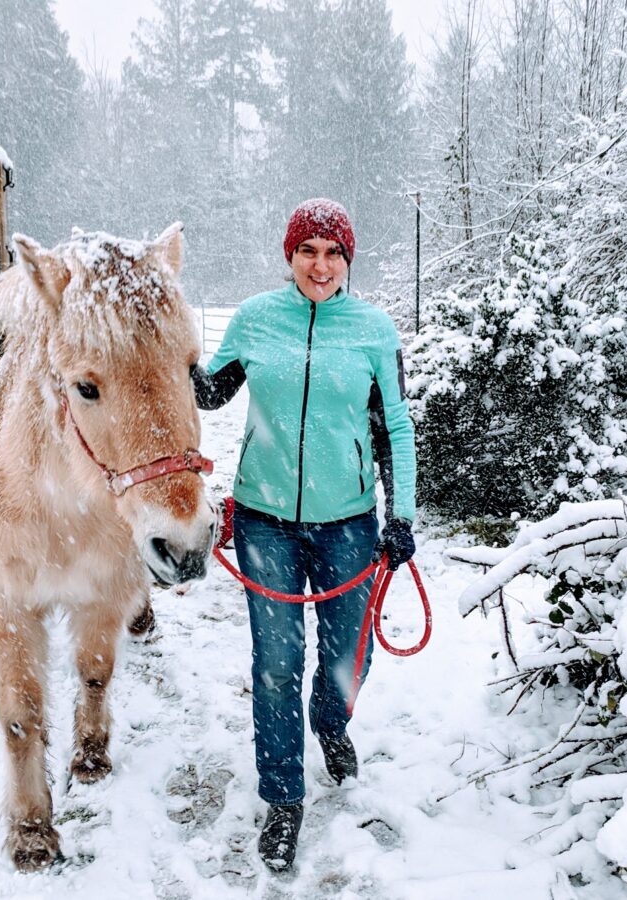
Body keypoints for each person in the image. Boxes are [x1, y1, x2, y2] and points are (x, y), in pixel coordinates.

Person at [191, 198, 416, 872]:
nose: (320, 265)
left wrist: (399, 514)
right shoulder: (258, 319)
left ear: (348, 261)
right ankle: (284, 797)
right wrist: (167, 353)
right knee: (277, 662)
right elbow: (207, 393)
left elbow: (394, 428)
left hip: (348, 522)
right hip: (265, 521)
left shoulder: (373, 330)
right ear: (289, 257)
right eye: (307, 252)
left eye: (332, 253)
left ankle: (331, 722)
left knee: (349, 656)